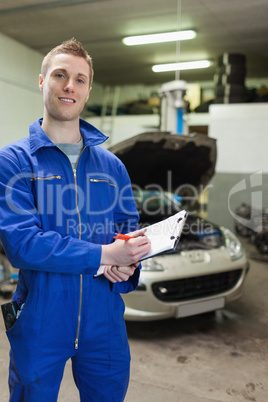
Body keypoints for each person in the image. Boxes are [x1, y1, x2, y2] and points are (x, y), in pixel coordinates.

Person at [0, 38, 151, 401]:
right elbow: (22, 244)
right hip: (41, 318)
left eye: (80, 79)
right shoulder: (15, 162)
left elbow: (126, 230)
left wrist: (128, 262)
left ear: (87, 91)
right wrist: (105, 256)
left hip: (105, 321)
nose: (70, 85)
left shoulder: (111, 165)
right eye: (60, 75)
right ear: (42, 82)